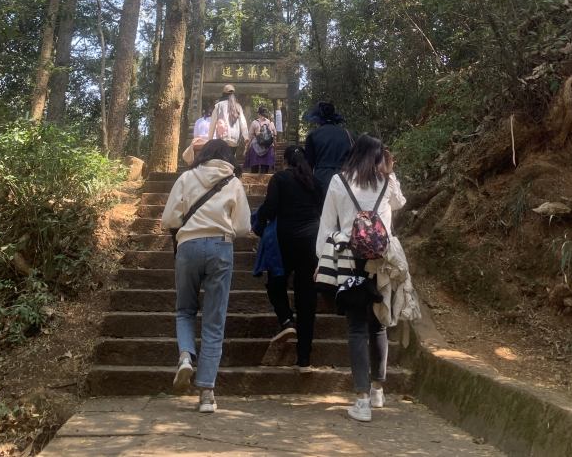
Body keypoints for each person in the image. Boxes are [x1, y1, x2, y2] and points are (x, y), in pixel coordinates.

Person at [316, 134, 405, 423]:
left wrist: (321, 259)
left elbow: (326, 225)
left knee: (356, 328)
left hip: (348, 260)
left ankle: (362, 400)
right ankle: (378, 390)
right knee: (378, 325)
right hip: (380, 261)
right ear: (380, 156)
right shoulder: (386, 183)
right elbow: (400, 203)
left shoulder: (338, 181)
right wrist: (390, 173)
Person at [161, 139, 252, 413]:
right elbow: (243, 226)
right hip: (220, 247)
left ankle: (185, 356)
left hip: (188, 246)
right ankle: (207, 394)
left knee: (185, 310)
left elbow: (169, 219)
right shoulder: (233, 182)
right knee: (214, 320)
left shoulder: (186, 177)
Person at [256, 145, 323, 370]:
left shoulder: (280, 179)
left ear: (285, 161)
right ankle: (304, 359)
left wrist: (258, 223)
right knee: (307, 298)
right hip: (311, 243)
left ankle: (286, 319)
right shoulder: (316, 182)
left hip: (283, 241)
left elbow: (270, 208)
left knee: (276, 283)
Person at [304, 101, 353, 195]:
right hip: (344, 178)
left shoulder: (313, 135)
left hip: (321, 180)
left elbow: (309, 163)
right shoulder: (347, 134)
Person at [208, 84, 248, 153]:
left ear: (223, 94)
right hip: (235, 140)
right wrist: (246, 137)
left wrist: (210, 139)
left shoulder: (218, 106)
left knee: (223, 158)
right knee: (231, 157)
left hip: (223, 139)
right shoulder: (238, 106)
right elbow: (243, 123)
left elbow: (212, 124)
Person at [244, 105, 276, 173]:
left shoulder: (254, 123)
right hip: (267, 148)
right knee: (265, 170)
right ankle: (264, 179)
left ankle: (254, 179)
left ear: (259, 114)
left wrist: (246, 148)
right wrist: (274, 146)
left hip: (255, 148)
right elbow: (274, 134)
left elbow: (250, 136)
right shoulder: (270, 123)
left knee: (254, 169)